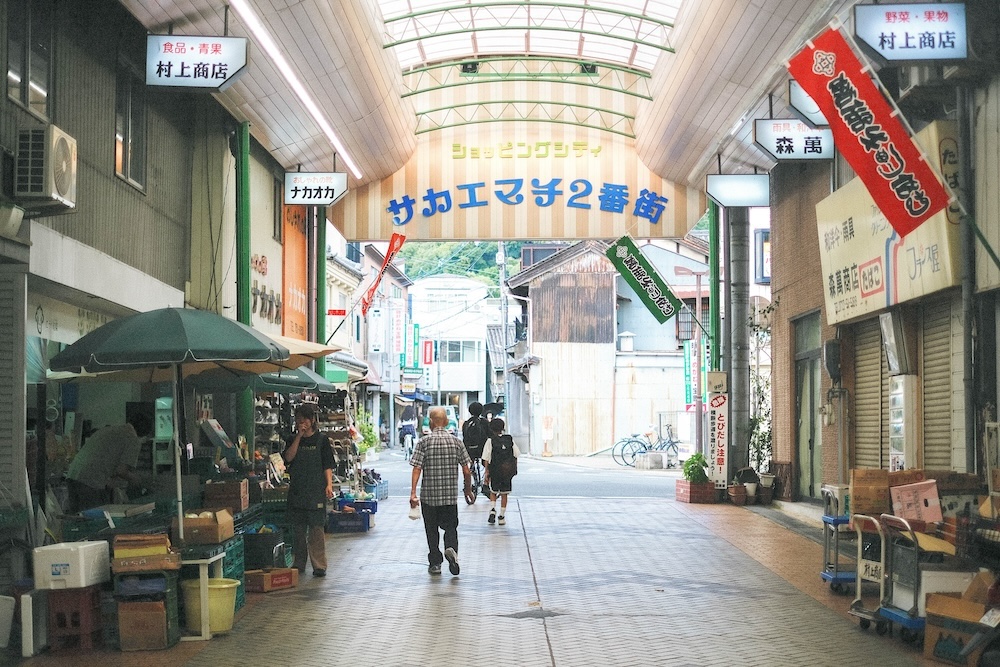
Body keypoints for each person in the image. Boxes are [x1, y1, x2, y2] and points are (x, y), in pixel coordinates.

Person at [410, 406, 475, 576]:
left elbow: (417, 468)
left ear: (431, 422)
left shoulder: (424, 442)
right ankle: (451, 549)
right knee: (450, 528)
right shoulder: (456, 442)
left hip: (429, 497)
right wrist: (468, 490)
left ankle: (435, 563)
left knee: (431, 530)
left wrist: (413, 493)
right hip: (449, 498)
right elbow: (466, 470)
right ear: (446, 422)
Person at [283, 403, 335, 577]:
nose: (301, 422)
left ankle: (319, 565)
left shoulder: (322, 440)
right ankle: (299, 563)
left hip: (316, 490)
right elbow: (289, 458)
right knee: (298, 530)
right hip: (297, 490)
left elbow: (327, 465)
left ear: (312, 420)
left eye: (304, 419)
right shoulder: (292, 439)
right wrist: (299, 436)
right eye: (298, 419)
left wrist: (329, 484)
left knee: (316, 530)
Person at [65, 413, 150, 513]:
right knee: (94, 522)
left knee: (77, 520)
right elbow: (122, 471)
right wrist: (136, 479)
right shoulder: (132, 438)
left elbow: (106, 460)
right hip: (91, 482)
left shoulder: (109, 430)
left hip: (73, 475)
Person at [482, 418, 520, 526]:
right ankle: (502, 516)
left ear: (491, 428)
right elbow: (516, 454)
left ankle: (493, 509)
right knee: (504, 494)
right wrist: (514, 469)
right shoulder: (509, 439)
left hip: (495, 470)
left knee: (493, 491)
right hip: (507, 472)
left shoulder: (490, 440)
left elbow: (486, 458)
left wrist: (487, 472)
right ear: (502, 428)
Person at [461, 402, 491, 493]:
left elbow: (464, 437)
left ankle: (467, 483)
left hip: (469, 450)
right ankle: (485, 484)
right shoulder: (484, 422)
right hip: (482, 449)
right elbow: (490, 435)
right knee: (488, 465)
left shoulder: (466, 423)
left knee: (469, 464)